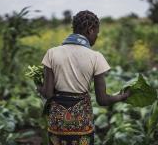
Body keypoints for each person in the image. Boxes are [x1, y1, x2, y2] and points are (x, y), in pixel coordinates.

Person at [37, 10, 130, 145]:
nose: (96, 37)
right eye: (97, 33)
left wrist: (38, 87)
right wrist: (122, 96)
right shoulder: (96, 57)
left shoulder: (52, 53)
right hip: (82, 125)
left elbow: (48, 93)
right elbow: (102, 100)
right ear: (90, 30)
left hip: (57, 124)